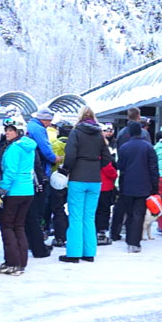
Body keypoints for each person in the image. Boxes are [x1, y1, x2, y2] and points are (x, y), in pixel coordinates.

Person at [60, 106, 113, 263]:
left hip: (78, 178)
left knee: (75, 217)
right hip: (95, 180)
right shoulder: (99, 135)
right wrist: (95, 165)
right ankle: (89, 253)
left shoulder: (76, 132)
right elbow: (107, 158)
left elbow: (70, 155)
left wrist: (67, 169)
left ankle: (74, 253)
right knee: (89, 217)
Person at [0, 115, 36, 275]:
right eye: (6, 129)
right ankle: (21, 262)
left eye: (11, 130)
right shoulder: (28, 146)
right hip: (28, 190)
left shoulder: (13, 148)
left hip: (14, 191)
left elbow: (10, 172)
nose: (7, 132)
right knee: (18, 226)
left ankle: (12, 263)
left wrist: (2, 190)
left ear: (19, 131)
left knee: (7, 226)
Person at [117, 122, 160, 253]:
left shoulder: (124, 147)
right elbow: (153, 168)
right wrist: (154, 185)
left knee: (130, 214)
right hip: (143, 185)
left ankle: (129, 240)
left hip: (127, 185)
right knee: (139, 214)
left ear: (130, 132)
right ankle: (135, 243)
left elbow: (120, 166)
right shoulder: (148, 147)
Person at [25, 108, 59, 258]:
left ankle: (30, 242)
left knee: (31, 212)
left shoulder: (31, 126)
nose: (50, 124)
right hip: (39, 174)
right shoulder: (38, 129)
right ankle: (36, 245)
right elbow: (45, 148)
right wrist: (54, 158)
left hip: (32, 175)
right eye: (49, 121)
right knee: (37, 211)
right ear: (44, 119)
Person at [48, 120, 73, 248]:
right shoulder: (75, 146)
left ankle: (60, 237)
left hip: (56, 182)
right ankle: (71, 234)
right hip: (72, 181)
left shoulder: (55, 145)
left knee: (58, 210)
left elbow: (50, 161)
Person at [96, 158, 118, 245]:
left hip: (91, 186)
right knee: (103, 210)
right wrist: (115, 174)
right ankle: (101, 233)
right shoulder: (103, 157)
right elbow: (109, 170)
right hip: (104, 187)